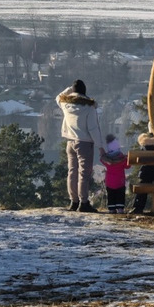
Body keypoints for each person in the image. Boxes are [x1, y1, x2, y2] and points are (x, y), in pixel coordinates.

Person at [55, 78, 105, 213]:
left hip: (70, 142)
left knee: (72, 172)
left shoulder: (65, 104)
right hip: (84, 143)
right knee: (84, 173)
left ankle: (73, 201)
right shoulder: (89, 108)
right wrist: (100, 146)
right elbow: (93, 128)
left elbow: (58, 97)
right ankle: (83, 202)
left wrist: (70, 89)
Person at [129, 132, 154, 215]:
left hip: (146, 174)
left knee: (143, 184)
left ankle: (138, 208)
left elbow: (140, 159)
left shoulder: (145, 145)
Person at [101, 135, 128, 214]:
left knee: (111, 195)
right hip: (120, 181)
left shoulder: (107, 160)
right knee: (120, 195)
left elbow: (102, 159)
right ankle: (120, 208)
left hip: (109, 181)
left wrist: (104, 154)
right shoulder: (122, 159)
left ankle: (111, 209)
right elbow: (128, 166)